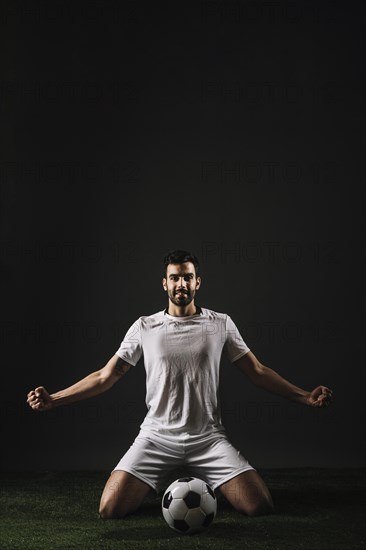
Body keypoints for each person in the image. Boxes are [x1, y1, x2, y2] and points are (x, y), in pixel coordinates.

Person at [27, 249, 333, 519]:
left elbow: (257, 371)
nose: (181, 284)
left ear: (198, 282)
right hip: (156, 439)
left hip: (208, 439)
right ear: (165, 283)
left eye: (187, 278)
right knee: (109, 509)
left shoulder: (220, 323)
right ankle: (153, 479)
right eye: (175, 278)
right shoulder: (145, 326)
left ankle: (196, 475)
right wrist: (55, 398)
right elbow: (106, 376)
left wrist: (305, 397)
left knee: (260, 505)